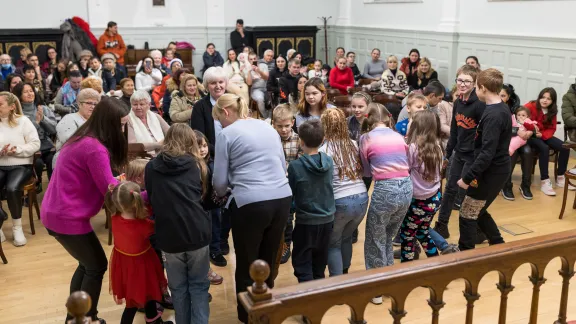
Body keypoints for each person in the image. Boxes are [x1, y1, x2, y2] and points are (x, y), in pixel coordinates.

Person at [41, 98, 129, 323]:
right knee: (96, 265)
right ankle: (86, 317)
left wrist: (115, 180)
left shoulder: (83, 137)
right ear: (109, 123)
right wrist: (131, 186)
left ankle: (75, 316)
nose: (121, 129)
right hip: (67, 217)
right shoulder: (94, 147)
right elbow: (109, 189)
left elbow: (103, 181)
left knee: (87, 264)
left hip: (57, 213)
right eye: (120, 125)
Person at [212, 94, 292, 323]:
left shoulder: (226, 134)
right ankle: (266, 309)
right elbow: (281, 162)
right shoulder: (267, 126)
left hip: (251, 202)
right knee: (269, 258)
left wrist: (222, 193)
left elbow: (219, 183)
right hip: (282, 197)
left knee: (247, 261)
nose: (220, 124)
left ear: (226, 112)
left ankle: (247, 315)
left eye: (219, 119)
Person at [145, 124, 211, 324]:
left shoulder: (151, 167)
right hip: (196, 232)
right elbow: (204, 197)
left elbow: (153, 198)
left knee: (178, 288)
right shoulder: (197, 164)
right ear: (191, 140)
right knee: (198, 286)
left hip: (168, 234)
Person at [359, 103, 411, 305]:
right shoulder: (398, 136)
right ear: (388, 119)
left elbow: (365, 171)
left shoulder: (366, 138)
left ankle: (376, 289)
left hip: (385, 189)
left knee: (374, 238)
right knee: (389, 236)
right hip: (406, 187)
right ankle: (390, 280)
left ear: (368, 120)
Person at [455, 68, 508, 251]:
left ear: (483, 88)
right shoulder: (497, 107)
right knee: (479, 210)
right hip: (494, 170)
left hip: (492, 172)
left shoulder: (494, 114)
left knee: (467, 213)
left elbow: (487, 153)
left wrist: (467, 178)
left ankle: (465, 256)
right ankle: (498, 245)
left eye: (476, 86)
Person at [105, 181, 172, 324]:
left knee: (143, 297)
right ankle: (151, 320)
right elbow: (158, 224)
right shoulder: (144, 225)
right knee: (137, 301)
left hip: (124, 265)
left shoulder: (114, 216)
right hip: (142, 265)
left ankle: (154, 320)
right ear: (137, 202)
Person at [434, 65, 487, 242]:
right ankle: (442, 225)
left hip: (473, 156)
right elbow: (455, 132)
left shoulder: (480, 105)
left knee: (467, 193)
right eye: (460, 80)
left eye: (467, 81)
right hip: (459, 153)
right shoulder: (457, 103)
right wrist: (448, 154)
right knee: (450, 189)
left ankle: (477, 229)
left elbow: (484, 134)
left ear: (474, 83)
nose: (462, 84)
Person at [319, 109, 368, 276]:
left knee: (333, 243)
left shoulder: (324, 150)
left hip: (340, 201)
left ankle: (336, 283)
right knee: (346, 238)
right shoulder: (354, 144)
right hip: (361, 198)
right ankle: (345, 275)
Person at [288, 119, 335, 282]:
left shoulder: (295, 166)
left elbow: (292, 193)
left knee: (302, 264)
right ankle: (319, 302)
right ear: (323, 140)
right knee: (319, 265)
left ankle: (307, 302)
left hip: (306, 222)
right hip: (328, 220)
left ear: (301, 141)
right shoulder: (329, 161)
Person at [399, 110, 443, 262]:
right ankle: (435, 262)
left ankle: (408, 269)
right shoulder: (437, 146)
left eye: (412, 120)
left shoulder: (412, 148)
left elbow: (405, 168)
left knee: (407, 235)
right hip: (434, 199)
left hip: (418, 202)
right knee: (422, 232)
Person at [0, 92, 40, 246]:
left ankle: (17, 227)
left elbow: (35, 144)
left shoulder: (23, 121)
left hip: (21, 164)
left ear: (11, 107)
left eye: (0, 104)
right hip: (0, 163)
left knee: (12, 188)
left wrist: (16, 149)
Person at [271, 105, 302, 264]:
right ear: (273, 124)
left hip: (292, 185)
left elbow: (301, 162)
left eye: (287, 126)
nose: (283, 130)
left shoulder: (298, 140)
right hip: (274, 184)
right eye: (279, 126)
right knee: (279, 218)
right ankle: (279, 243)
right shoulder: (270, 139)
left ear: (293, 122)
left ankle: (287, 244)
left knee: (289, 217)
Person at [526, 88, 570, 196]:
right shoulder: (530, 106)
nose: (545, 100)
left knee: (565, 147)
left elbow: (552, 128)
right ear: (539, 97)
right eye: (543, 97)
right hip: (530, 135)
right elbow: (521, 120)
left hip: (544, 135)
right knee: (544, 148)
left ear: (552, 101)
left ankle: (560, 176)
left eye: (548, 99)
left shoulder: (552, 111)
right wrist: (535, 132)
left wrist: (543, 135)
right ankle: (545, 181)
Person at [13, 82, 56, 193]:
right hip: (28, 146)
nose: (30, 94)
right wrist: (36, 123)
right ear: (19, 95)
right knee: (38, 163)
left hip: (46, 144)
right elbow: (19, 134)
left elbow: (54, 130)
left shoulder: (43, 109)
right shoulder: (17, 113)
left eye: (31, 91)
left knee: (53, 159)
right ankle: (37, 183)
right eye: (26, 92)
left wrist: (43, 119)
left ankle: (53, 189)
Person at [194, 130, 228, 270]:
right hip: (199, 204)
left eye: (204, 146)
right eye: (198, 146)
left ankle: (215, 250)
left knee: (216, 225)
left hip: (214, 203)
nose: (202, 150)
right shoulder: (192, 165)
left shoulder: (212, 161)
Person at [53, 89, 101, 169]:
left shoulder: (98, 121)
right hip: (68, 161)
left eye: (95, 104)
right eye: (89, 103)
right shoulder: (69, 119)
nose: (92, 106)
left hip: (91, 159)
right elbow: (70, 143)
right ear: (79, 104)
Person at [190, 66, 228, 152]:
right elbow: (199, 137)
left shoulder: (235, 102)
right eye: (213, 83)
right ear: (207, 86)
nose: (218, 86)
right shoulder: (199, 107)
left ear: (226, 83)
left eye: (221, 82)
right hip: (210, 154)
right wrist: (218, 152)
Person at [127, 90, 169, 155]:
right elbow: (133, 146)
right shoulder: (128, 120)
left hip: (163, 153)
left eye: (141, 104)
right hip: (142, 157)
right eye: (135, 104)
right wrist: (157, 145)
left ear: (149, 105)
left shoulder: (156, 116)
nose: (138, 107)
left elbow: (171, 132)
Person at [248, 52, 270, 118]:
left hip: (267, 88)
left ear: (257, 58)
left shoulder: (264, 66)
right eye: (251, 59)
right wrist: (249, 71)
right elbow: (249, 83)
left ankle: (271, 116)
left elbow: (267, 78)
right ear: (248, 60)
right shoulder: (248, 68)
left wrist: (259, 71)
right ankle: (265, 117)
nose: (253, 60)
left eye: (254, 58)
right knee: (260, 99)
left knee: (273, 99)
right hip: (256, 89)